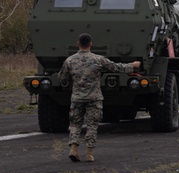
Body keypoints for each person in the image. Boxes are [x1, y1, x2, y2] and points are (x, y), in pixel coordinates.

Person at [57, 33, 141, 162]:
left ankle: (73, 148)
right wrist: (132, 65)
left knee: (75, 124)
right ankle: (89, 153)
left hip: (77, 98)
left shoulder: (70, 60)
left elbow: (62, 79)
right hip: (94, 98)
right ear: (90, 44)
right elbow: (116, 67)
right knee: (92, 125)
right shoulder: (98, 59)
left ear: (78, 44)